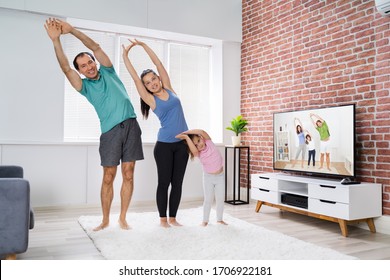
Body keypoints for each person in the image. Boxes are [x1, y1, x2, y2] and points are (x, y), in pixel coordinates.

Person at [44, 18, 144, 231]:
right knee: (109, 176)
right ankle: (105, 219)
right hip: (110, 132)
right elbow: (64, 68)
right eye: (83, 66)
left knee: (129, 173)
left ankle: (123, 218)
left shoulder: (108, 70)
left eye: (89, 62)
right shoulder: (84, 86)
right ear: (80, 71)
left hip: (131, 126)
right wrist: (56, 41)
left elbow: (95, 47)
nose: (88, 67)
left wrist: (71, 31)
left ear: (95, 62)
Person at [122, 39, 189, 228]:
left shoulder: (169, 88)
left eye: (154, 79)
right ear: (145, 87)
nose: (152, 83)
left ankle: (173, 218)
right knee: (164, 183)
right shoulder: (150, 99)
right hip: (164, 147)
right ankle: (162, 220)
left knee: (178, 183)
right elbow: (135, 78)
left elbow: (158, 64)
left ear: (159, 79)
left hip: (183, 144)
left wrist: (143, 46)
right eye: (148, 83)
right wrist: (125, 56)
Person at [176, 129, 227, 227]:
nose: (199, 145)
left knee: (220, 199)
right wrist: (186, 138)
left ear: (201, 137)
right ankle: (205, 220)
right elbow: (194, 150)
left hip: (220, 177)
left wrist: (186, 133)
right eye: (196, 145)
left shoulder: (209, 142)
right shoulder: (199, 153)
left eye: (199, 141)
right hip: (208, 178)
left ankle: (219, 219)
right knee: (208, 200)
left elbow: (201, 131)